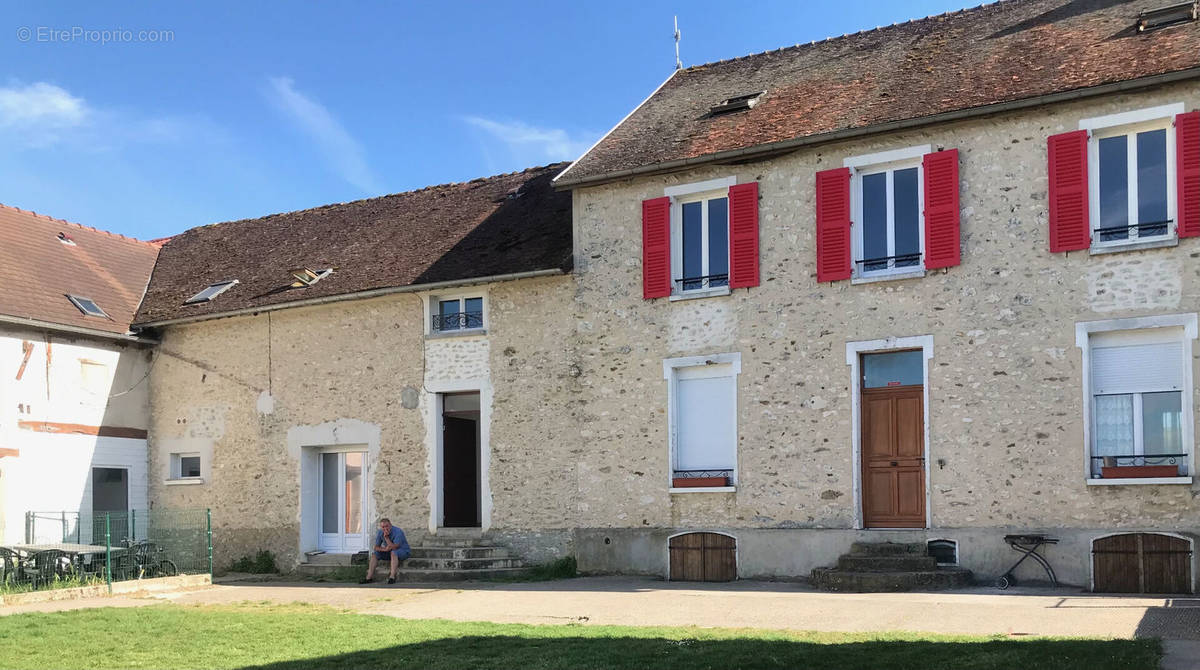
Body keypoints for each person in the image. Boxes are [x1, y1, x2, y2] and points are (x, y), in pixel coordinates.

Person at [360, 518, 410, 584]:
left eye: (387, 526)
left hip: (403, 551)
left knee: (393, 552)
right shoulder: (380, 532)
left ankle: (392, 577)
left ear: (390, 525)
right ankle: (368, 578)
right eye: (383, 527)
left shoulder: (398, 531)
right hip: (389, 551)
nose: (385, 528)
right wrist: (384, 549)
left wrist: (386, 538)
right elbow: (376, 547)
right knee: (375, 554)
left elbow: (394, 547)